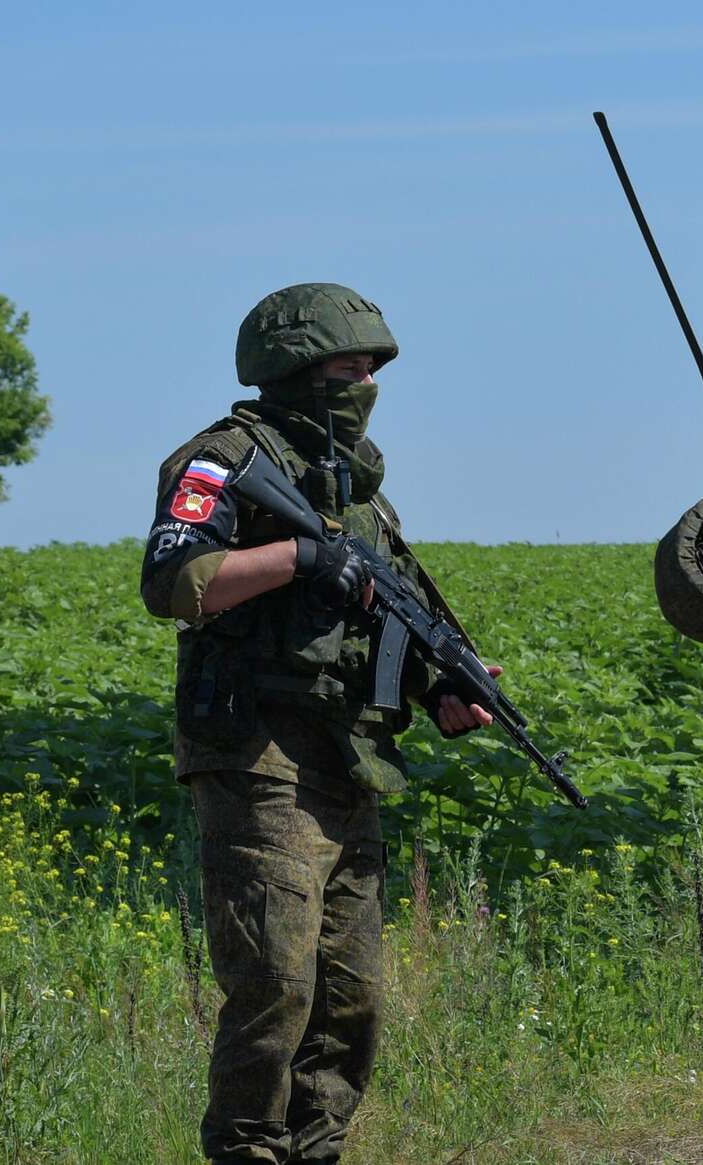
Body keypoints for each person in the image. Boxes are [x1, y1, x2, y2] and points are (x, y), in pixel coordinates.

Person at [140, 282, 493, 1164]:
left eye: (373, 367)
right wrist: (299, 554)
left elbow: (374, 624)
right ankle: (249, 1150)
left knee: (350, 997)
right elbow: (174, 581)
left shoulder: (361, 494)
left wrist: (438, 682)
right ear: (292, 367)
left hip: (347, 760)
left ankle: (315, 1149)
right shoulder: (223, 459)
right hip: (257, 752)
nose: (365, 381)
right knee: (274, 983)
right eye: (347, 365)